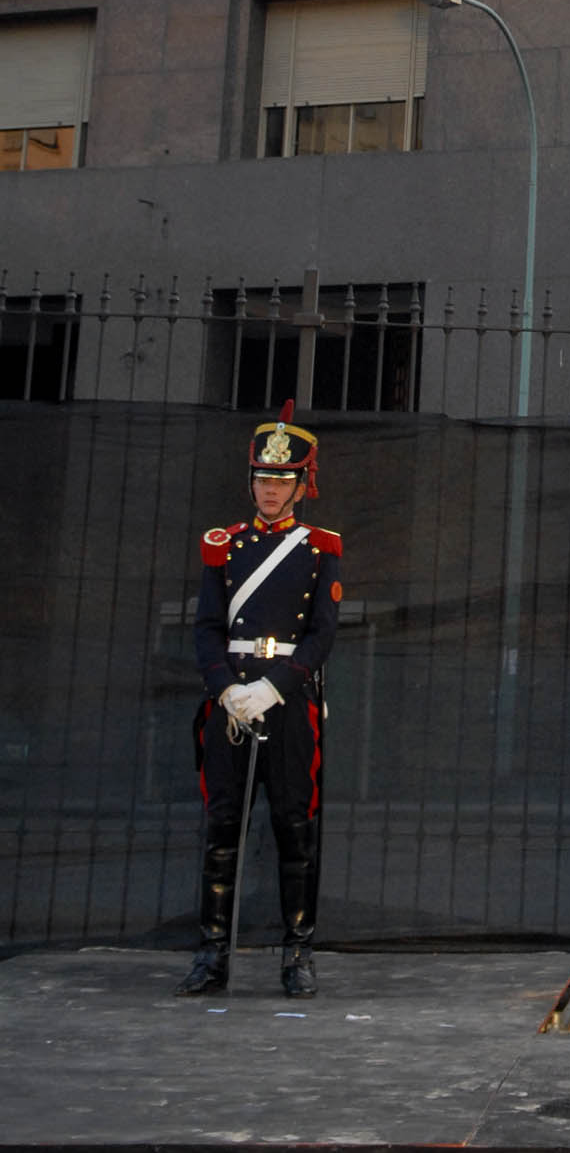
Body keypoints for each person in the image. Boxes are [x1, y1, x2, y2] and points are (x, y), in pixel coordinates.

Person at [177, 401, 341, 999]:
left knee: (294, 826)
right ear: (251, 482)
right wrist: (226, 688)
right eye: (263, 479)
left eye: (282, 480)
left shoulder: (321, 546)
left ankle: (298, 954)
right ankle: (211, 956)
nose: (270, 490)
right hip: (230, 703)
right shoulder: (223, 545)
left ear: (301, 485)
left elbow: (323, 631)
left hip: (288, 699)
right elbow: (204, 627)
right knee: (223, 827)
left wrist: (276, 686)